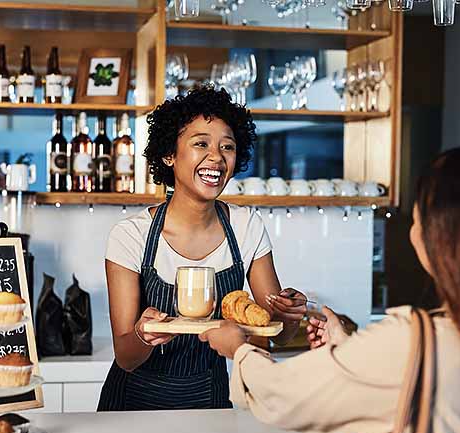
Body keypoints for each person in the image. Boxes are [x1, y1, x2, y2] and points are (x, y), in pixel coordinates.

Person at [201, 146, 460, 433]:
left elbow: (281, 394)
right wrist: (350, 350)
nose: (413, 232)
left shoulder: (410, 340)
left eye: (418, 221)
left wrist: (238, 349)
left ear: (442, 241)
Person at [98, 86, 307, 411]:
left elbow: (272, 335)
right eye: (201, 144)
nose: (216, 157)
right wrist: (144, 335)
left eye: (228, 147)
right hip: (132, 406)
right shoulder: (131, 236)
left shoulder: (245, 227)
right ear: (169, 154)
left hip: (209, 400)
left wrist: (289, 315)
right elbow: (126, 357)